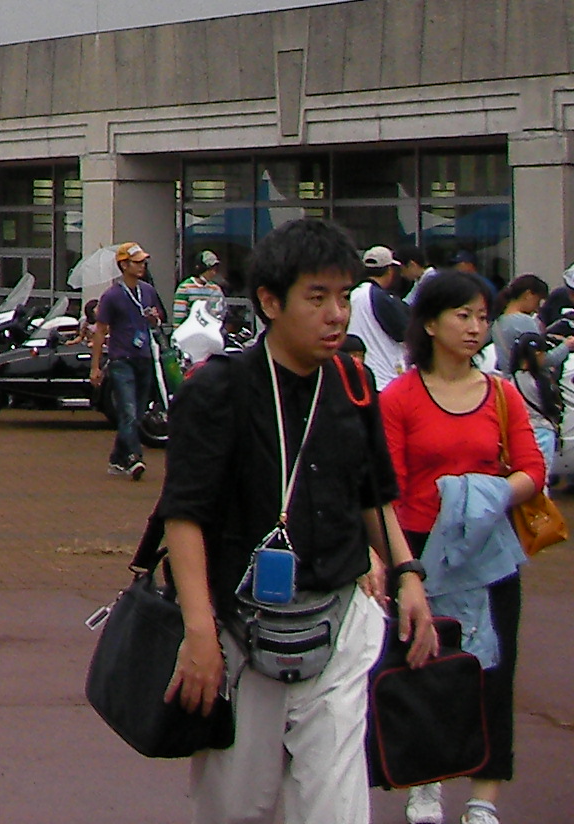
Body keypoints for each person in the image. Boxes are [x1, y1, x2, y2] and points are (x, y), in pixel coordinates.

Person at [157, 216, 434, 824]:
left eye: (344, 297)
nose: (336, 315)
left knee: (337, 808)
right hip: (240, 627)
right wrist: (200, 631)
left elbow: (374, 495)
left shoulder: (355, 384)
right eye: (317, 297)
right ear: (270, 301)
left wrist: (408, 573)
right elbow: (184, 514)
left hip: (339, 620)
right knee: (236, 807)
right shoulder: (220, 389)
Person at [381, 269, 541, 824]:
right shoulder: (400, 397)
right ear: (430, 323)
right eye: (463, 315)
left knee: (494, 672)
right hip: (421, 552)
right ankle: (425, 784)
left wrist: (483, 496)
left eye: (482, 317)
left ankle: (483, 799)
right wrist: (399, 565)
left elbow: (533, 469)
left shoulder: (501, 394)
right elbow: (389, 489)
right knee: (425, 666)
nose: (475, 327)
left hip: (489, 553)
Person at [90, 242, 167, 480]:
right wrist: (95, 366)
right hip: (121, 359)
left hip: (144, 357)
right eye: (137, 262)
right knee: (128, 411)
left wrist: (154, 319)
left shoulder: (148, 291)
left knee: (136, 414)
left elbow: (158, 320)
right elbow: (100, 331)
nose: (142, 266)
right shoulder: (112, 296)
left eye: (143, 262)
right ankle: (134, 457)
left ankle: (117, 458)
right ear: (124, 265)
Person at [351, 245, 416, 388]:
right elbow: (403, 332)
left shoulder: (351, 295)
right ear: (390, 271)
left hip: (360, 372)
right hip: (384, 377)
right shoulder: (381, 298)